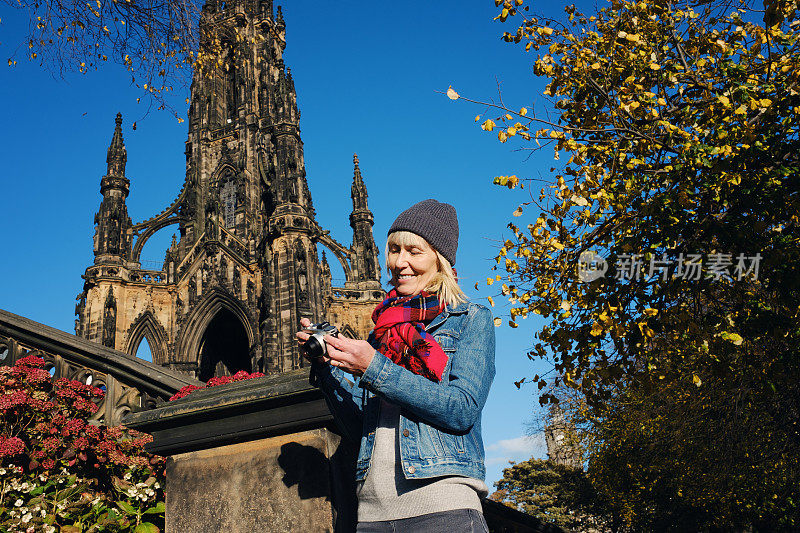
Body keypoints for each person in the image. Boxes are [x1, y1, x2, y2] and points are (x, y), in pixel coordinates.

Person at [297, 199, 495, 532]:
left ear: (439, 259)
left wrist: (374, 368)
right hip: (372, 517)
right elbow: (360, 429)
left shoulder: (471, 320)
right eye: (392, 250)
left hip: (443, 510)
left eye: (413, 251)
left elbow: (461, 409)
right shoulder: (382, 334)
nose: (399, 262)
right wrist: (326, 367)